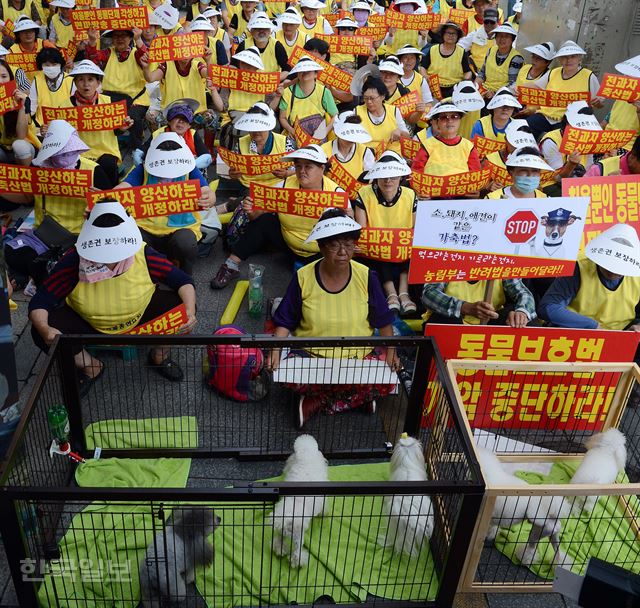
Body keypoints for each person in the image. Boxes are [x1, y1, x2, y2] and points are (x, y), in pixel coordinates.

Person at [28, 200, 197, 392]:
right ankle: (91, 367)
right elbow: (41, 301)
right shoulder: (74, 259)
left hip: (140, 315)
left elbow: (183, 281)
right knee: (39, 332)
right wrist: (45, 328)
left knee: (182, 308)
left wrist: (190, 312)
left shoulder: (143, 253)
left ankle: (160, 355)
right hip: (89, 323)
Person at [268, 208, 399, 427]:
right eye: (334, 245)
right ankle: (356, 399)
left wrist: (392, 353)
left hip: (358, 356)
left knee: (388, 379)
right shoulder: (303, 276)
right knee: (285, 374)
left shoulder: (366, 276)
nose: (342, 252)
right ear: (321, 246)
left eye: (348, 244)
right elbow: (285, 320)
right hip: (312, 356)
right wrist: (274, 351)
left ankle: (318, 402)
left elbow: (383, 320)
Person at [210, 144, 344, 288]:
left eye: (308, 167)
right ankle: (231, 265)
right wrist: (250, 211)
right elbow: (255, 217)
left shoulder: (336, 194)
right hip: (288, 244)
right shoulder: (284, 185)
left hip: (320, 253)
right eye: (298, 166)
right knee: (265, 220)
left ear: (322, 168)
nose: (302, 171)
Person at [3, 120, 110, 287]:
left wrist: (101, 201)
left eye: (68, 151)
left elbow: (112, 210)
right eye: (58, 152)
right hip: (44, 234)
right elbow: (26, 198)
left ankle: (39, 275)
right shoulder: (38, 168)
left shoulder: (94, 171)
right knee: (12, 252)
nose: (63, 156)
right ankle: (46, 272)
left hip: (80, 237)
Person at [116, 132, 217, 276]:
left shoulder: (190, 170)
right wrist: (103, 199)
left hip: (180, 229)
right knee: (129, 240)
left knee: (186, 242)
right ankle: (144, 275)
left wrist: (209, 198)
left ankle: (184, 276)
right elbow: (124, 187)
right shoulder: (142, 170)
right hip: (146, 229)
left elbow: (207, 191)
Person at [538, 224, 640, 331]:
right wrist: (591, 325)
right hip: (577, 333)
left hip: (620, 337)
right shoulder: (578, 267)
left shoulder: (637, 275)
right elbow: (547, 307)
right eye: (609, 265)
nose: (613, 272)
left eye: (619, 269)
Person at [354, 152, 416, 314]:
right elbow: (362, 230)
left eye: (393, 176)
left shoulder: (410, 195)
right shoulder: (364, 193)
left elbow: (415, 229)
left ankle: (404, 293)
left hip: (403, 247)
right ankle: (391, 293)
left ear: (400, 178)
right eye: (383, 176)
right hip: (377, 248)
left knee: (413, 248)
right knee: (380, 249)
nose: (388, 180)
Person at [62, 60, 134, 188]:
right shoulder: (64, 106)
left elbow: (115, 130)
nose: (86, 84)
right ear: (75, 83)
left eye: (90, 80)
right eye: (80, 80)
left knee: (108, 164)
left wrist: (122, 128)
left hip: (105, 152)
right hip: (78, 155)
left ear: (98, 83)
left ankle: (109, 201)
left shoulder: (109, 103)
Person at [84, 27, 150, 153]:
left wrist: (139, 39)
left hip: (135, 98)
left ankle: (137, 150)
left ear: (130, 38)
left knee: (133, 118)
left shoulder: (136, 53)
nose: (120, 39)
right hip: (109, 98)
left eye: (124, 35)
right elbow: (92, 61)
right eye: (116, 36)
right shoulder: (108, 53)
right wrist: (92, 41)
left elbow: (147, 57)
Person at [526, 40, 602, 140]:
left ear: (579, 59)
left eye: (573, 56)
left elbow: (599, 104)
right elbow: (536, 86)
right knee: (525, 128)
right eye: (565, 57)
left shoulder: (589, 76)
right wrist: (516, 89)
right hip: (546, 116)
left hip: (569, 120)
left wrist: (597, 103)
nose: (568, 60)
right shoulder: (553, 72)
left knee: (558, 139)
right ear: (560, 60)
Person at [227, 102, 295, 189]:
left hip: (277, 185)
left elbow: (296, 167)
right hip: (249, 186)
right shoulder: (241, 143)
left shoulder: (284, 142)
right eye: (252, 128)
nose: (255, 132)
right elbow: (233, 170)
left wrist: (287, 173)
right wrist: (233, 174)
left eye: (259, 128)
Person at [422, 277, 537, 326]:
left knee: (521, 322)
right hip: (452, 324)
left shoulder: (501, 263)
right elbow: (428, 294)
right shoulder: (447, 259)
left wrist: (522, 312)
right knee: (444, 320)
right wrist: (464, 307)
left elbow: (523, 293)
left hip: (489, 325)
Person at [136, 98, 212, 171]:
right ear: (169, 121)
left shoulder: (192, 134)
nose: (181, 121)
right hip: (161, 171)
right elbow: (140, 153)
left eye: (185, 119)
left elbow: (206, 156)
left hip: (188, 172)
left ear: (189, 125)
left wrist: (190, 165)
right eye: (177, 117)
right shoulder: (158, 134)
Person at [412, 99, 480, 176]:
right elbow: (417, 174)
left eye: (454, 117)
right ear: (437, 122)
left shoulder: (469, 146)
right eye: (444, 117)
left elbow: (475, 175)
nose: (450, 121)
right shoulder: (427, 145)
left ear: (460, 120)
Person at [277, 56, 338, 139]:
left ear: (316, 74)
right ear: (297, 74)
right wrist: (290, 130)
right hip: (295, 134)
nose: (305, 72)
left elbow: (335, 115)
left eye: (308, 70)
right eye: (301, 71)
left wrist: (325, 131)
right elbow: (282, 118)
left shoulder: (324, 91)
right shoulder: (287, 92)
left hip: (318, 133)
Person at [320, 110, 374, 196]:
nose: (350, 139)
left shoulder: (365, 152)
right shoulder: (323, 150)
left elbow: (370, 181)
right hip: (329, 196)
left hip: (356, 198)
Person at [355, 76, 410, 153]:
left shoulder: (394, 111)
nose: (369, 102)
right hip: (367, 154)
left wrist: (400, 132)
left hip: (391, 154)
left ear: (382, 96)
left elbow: (407, 137)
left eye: (372, 98)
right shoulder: (357, 111)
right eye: (366, 98)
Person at [422, 22, 472, 100]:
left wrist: (464, 82)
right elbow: (423, 67)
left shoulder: (462, 52)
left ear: (457, 36)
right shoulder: (433, 49)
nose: (451, 36)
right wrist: (426, 77)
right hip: (433, 88)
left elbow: (468, 72)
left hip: (454, 89)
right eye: (448, 33)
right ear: (443, 34)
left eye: (454, 34)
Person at [474, 22, 522, 99]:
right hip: (485, 90)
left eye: (506, 36)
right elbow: (482, 73)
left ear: (512, 40)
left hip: (504, 95)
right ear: (495, 38)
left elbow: (513, 84)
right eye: (499, 36)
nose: (502, 39)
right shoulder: (491, 50)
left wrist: (496, 93)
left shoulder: (516, 58)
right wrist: (474, 87)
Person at [235, 12, 290, 77]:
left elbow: (287, 69)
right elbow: (234, 65)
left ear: (270, 30)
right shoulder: (243, 44)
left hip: (271, 83)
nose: (261, 31)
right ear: (251, 31)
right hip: (248, 82)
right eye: (257, 28)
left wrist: (272, 80)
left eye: (265, 28)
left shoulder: (277, 46)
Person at [0, 59, 33, 169]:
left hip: (22, 150)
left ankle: (23, 177)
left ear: (10, 78)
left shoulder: (22, 98)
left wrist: (21, 107)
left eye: (4, 76)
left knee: (19, 145)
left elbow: (21, 136)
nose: (1, 81)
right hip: (1, 151)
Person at [485, 147, 551, 199]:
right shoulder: (493, 199)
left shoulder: (545, 200)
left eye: (535, 171)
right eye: (523, 171)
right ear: (511, 172)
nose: (530, 175)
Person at [514, 42, 555, 114]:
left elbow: (548, 100)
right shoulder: (525, 68)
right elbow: (516, 88)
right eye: (533, 56)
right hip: (515, 104)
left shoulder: (549, 76)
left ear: (548, 62)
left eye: (539, 58)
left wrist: (533, 109)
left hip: (533, 112)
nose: (534, 60)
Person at [457, 5, 498, 76]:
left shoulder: (503, 35)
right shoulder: (475, 33)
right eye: (486, 21)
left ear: (497, 21)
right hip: (475, 70)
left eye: (492, 22)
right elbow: (460, 46)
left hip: (495, 72)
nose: (489, 24)